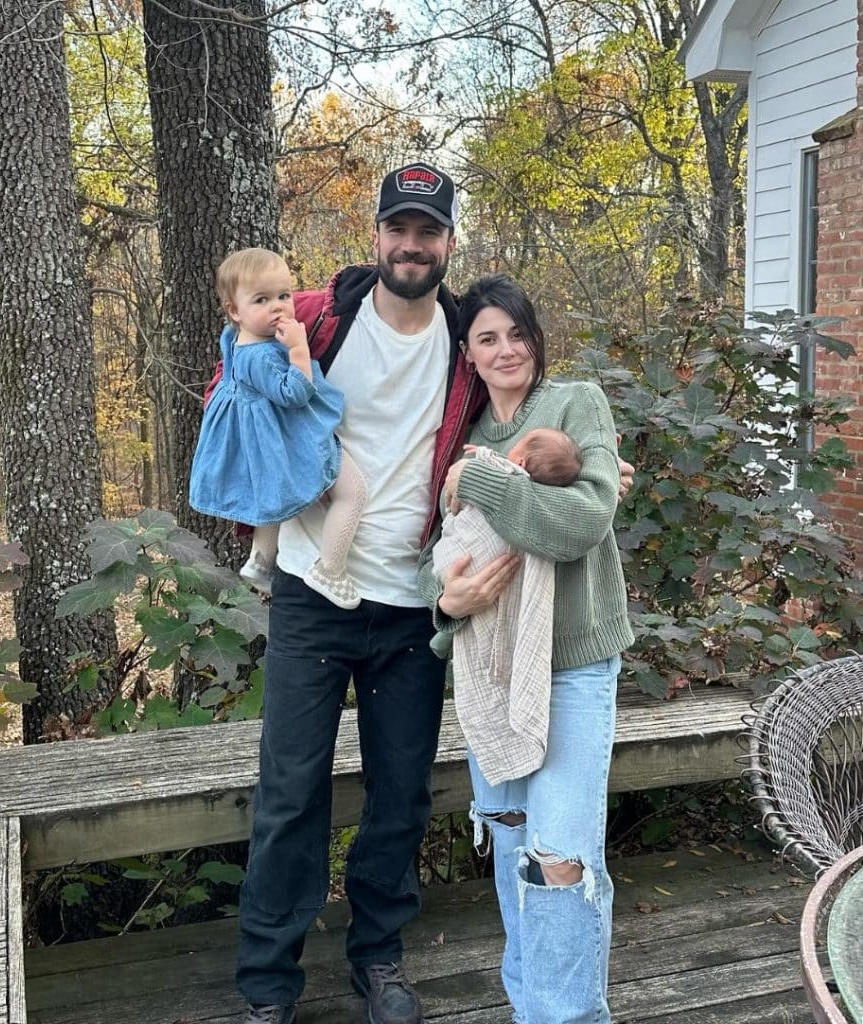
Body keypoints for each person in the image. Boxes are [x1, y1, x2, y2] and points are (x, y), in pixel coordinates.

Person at [217, 164, 635, 1024]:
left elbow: (529, 425)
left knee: (400, 791)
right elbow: (236, 399)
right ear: (375, 236)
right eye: (398, 229)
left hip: (413, 605)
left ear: (448, 242)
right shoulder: (314, 320)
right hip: (309, 588)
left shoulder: (462, 341)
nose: (412, 245)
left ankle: (380, 958)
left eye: (429, 231)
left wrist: (601, 472)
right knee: (290, 789)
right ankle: (267, 984)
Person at [419, 273, 636, 1024]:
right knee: (515, 851)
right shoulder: (464, 435)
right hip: (491, 671)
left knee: (559, 858)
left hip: (572, 667)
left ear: (535, 341)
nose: (506, 349)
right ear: (468, 355)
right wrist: (447, 604)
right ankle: (536, 1009)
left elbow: (584, 519)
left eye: (517, 333)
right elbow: (437, 559)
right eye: (488, 338)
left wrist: (481, 481)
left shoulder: (576, 404)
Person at [189, 248, 368, 609]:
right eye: (262, 300)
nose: (279, 308)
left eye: (284, 296)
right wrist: (299, 350)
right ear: (234, 310)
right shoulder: (263, 356)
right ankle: (330, 569)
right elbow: (295, 392)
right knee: (353, 492)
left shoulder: (236, 339)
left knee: (272, 499)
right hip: (287, 440)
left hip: (265, 444)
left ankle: (260, 559)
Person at [428, 428, 583, 789]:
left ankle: (443, 633)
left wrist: (477, 461)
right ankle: (446, 622)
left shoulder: (511, 474)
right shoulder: (470, 418)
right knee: (467, 595)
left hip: (477, 555)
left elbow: (494, 469)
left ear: (522, 461)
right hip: (467, 580)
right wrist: (446, 600)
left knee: (459, 570)